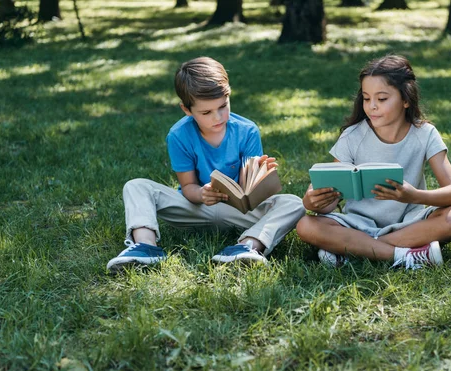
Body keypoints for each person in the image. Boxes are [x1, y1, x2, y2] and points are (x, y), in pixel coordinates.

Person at [107, 57, 305, 272]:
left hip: (237, 212)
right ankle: (145, 247)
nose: (218, 117)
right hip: (196, 208)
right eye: (206, 112)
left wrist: (259, 177)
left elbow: (247, 195)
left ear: (229, 96)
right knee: (136, 186)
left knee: (295, 203)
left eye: (223, 106)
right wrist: (202, 194)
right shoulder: (179, 135)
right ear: (187, 109)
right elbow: (188, 186)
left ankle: (247, 247)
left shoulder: (247, 131)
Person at [296, 55, 451, 269]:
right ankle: (405, 255)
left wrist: (414, 196)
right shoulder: (352, 137)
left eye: (381, 99)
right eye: (366, 98)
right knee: (306, 225)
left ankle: (354, 250)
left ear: (406, 99)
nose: (372, 107)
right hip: (358, 224)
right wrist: (312, 201)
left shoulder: (425, 134)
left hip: (410, 223)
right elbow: (331, 201)